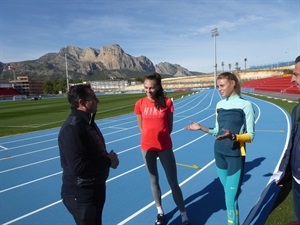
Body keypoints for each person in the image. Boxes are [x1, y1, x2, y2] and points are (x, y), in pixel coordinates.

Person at [185, 72, 255, 225]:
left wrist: (234, 137)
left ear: (233, 83)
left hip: (235, 155)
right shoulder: (220, 105)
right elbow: (217, 130)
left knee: (230, 199)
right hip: (219, 154)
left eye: (222, 86)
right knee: (229, 196)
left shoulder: (246, 105)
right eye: (218, 86)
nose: (219, 89)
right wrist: (201, 128)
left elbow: (250, 136)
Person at [58, 84, 119, 225]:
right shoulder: (73, 128)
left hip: (93, 189)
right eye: (93, 97)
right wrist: (108, 161)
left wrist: (109, 158)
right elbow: (79, 167)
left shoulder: (87, 122)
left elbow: (93, 153)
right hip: (81, 195)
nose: (98, 101)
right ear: (82, 102)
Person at [134, 72, 189, 225]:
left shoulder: (167, 103)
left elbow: (169, 127)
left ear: (158, 87)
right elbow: (141, 127)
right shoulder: (140, 104)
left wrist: (161, 139)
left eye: (151, 88)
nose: (148, 91)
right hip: (147, 147)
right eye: (145, 88)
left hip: (164, 146)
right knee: (154, 180)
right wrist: (149, 138)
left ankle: (183, 215)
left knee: (173, 182)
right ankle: (160, 211)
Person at [272, 56, 300, 223]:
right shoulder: (297, 110)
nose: (292, 78)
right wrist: (286, 173)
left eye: (296, 74)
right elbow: (292, 145)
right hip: (296, 183)